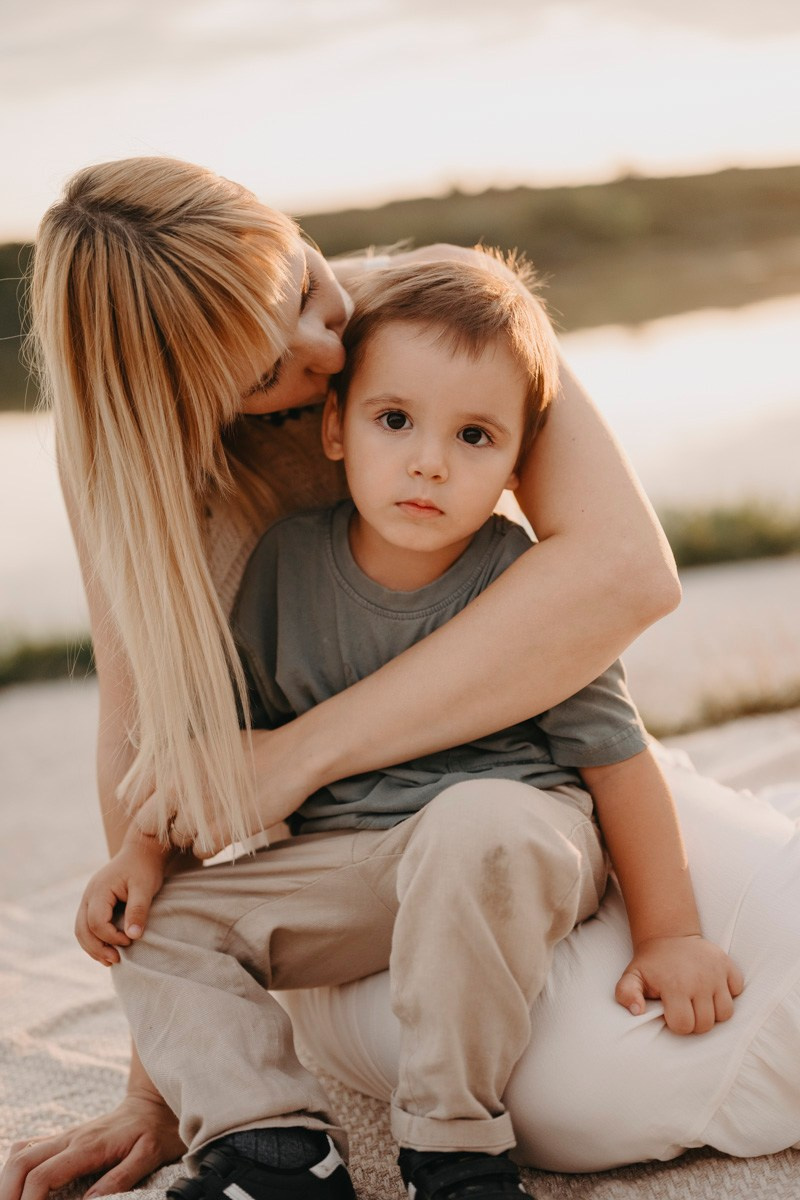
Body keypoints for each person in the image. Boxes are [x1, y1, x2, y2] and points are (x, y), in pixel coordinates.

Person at [0, 156, 680, 1200]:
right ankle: (272, 1154)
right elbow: (147, 736)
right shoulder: (148, 473)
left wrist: (291, 758)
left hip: (502, 814)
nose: (330, 345)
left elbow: (620, 578)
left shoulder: (437, 319)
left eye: (307, 290)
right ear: (192, 406)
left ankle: (454, 1153)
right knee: (151, 924)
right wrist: (157, 1086)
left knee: (581, 1066)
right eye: (272, 375)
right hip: (347, 856)